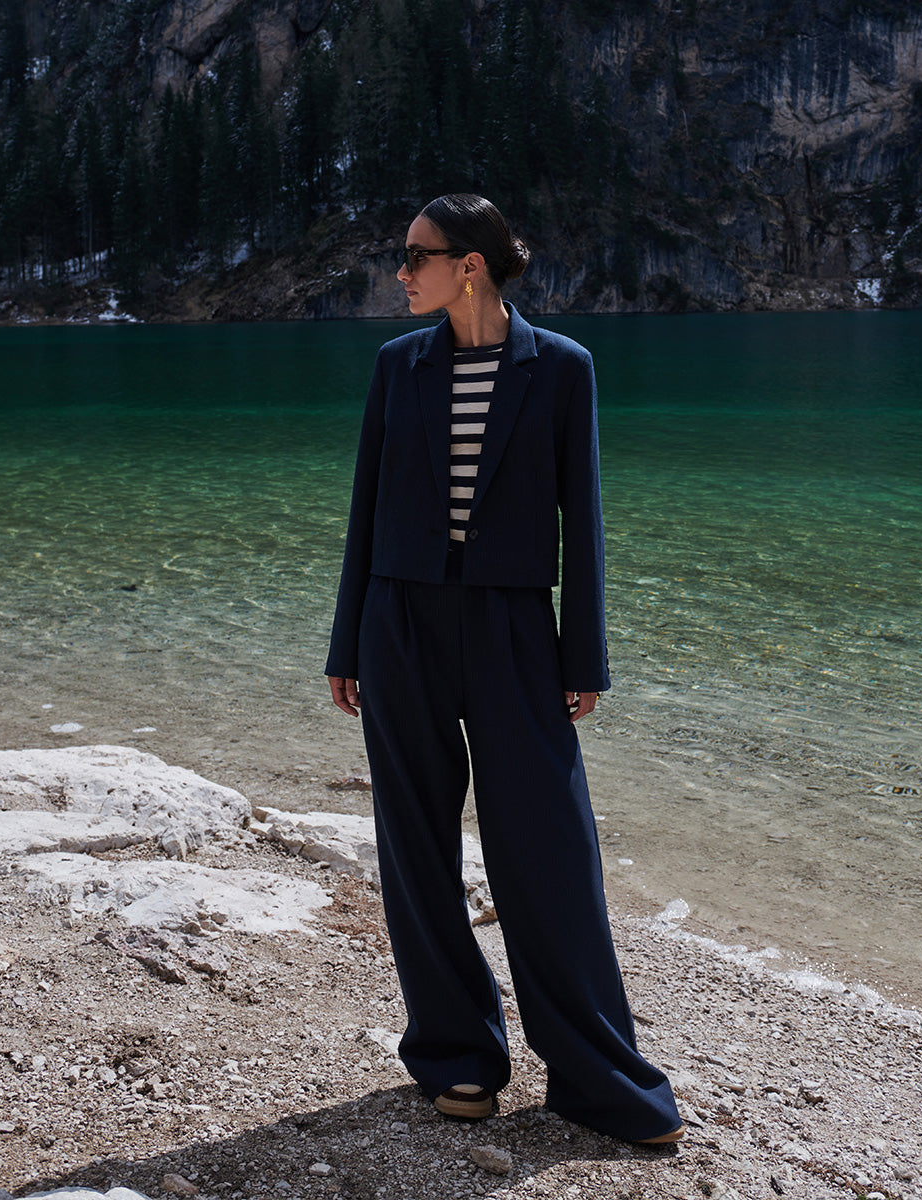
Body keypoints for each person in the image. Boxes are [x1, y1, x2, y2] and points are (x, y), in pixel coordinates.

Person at [324, 193, 683, 1144]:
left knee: (550, 849)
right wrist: (346, 642)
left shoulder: (561, 367)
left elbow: (582, 519)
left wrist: (584, 652)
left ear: (470, 264)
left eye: (417, 256)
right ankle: (457, 1056)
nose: (401, 272)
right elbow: (365, 511)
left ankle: (601, 1080)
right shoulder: (398, 365)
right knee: (415, 848)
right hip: (399, 623)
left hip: (514, 630)